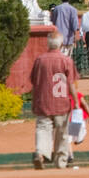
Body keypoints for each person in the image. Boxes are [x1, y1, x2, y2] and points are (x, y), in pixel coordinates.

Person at [31, 29, 77, 169]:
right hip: (61, 102)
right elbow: (70, 84)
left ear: (48, 44)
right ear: (61, 44)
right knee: (62, 133)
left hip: (43, 101)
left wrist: (34, 100)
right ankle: (61, 160)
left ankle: (40, 153)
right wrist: (75, 101)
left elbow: (34, 82)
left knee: (43, 129)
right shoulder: (66, 60)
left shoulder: (39, 60)